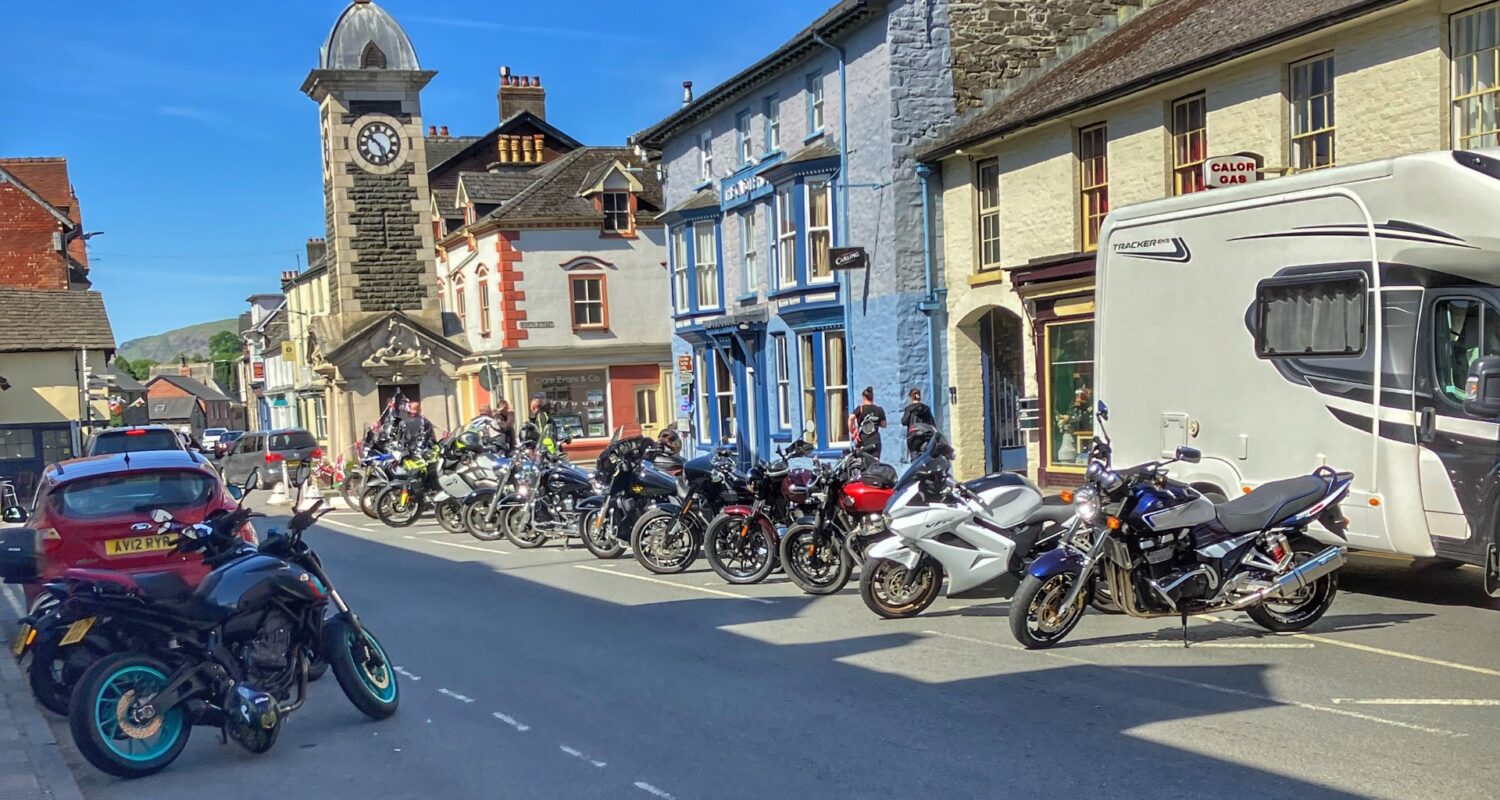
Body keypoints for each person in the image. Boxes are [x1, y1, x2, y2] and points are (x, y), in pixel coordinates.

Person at [848, 386, 887, 459]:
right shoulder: (879, 410)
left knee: (863, 464)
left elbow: (850, 418)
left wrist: (852, 430)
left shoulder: (860, 409)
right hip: (875, 442)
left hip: (863, 442)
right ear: (872, 397)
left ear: (864, 398)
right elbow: (884, 425)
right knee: (875, 465)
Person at [901, 388, 936, 460]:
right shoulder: (926, 408)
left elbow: (904, 421)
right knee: (925, 456)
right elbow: (932, 423)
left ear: (911, 397)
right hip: (925, 436)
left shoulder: (909, 409)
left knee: (914, 458)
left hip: (913, 437)